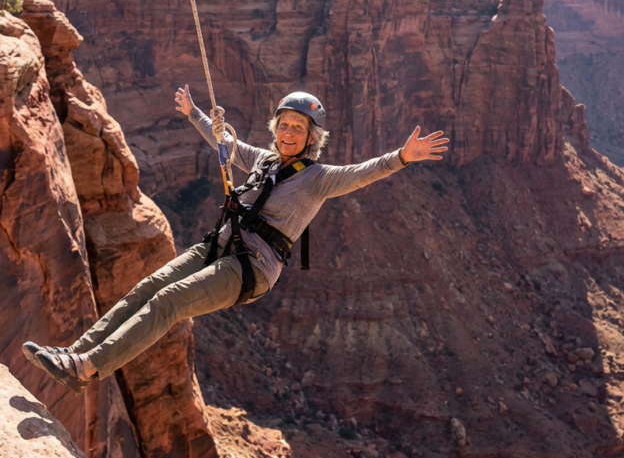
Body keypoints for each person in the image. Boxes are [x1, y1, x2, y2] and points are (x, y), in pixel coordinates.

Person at [23, 87, 449, 393]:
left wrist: (401, 157)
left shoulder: (319, 179)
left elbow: (362, 173)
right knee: (146, 288)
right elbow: (224, 140)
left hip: (251, 267)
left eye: (298, 128)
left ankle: (87, 367)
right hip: (218, 245)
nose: (288, 133)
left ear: (312, 137)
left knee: (169, 301)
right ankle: (73, 354)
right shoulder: (263, 160)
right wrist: (194, 113)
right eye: (284, 125)